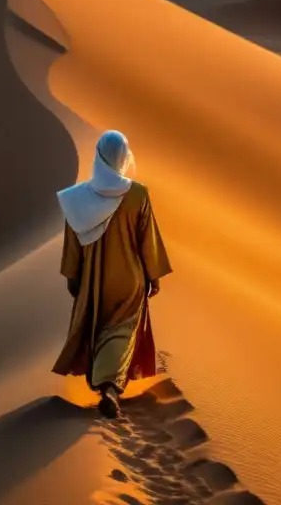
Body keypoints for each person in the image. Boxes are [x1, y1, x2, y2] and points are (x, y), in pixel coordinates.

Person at [52, 130, 173, 419]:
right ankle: (109, 388)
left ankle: (103, 384)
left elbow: (72, 244)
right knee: (121, 333)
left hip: (95, 283)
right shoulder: (138, 194)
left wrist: (73, 277)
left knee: (99, 329)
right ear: (123, 157)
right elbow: (148, 240)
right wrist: (153, 276)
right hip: (130, 280)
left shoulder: (77, 198)